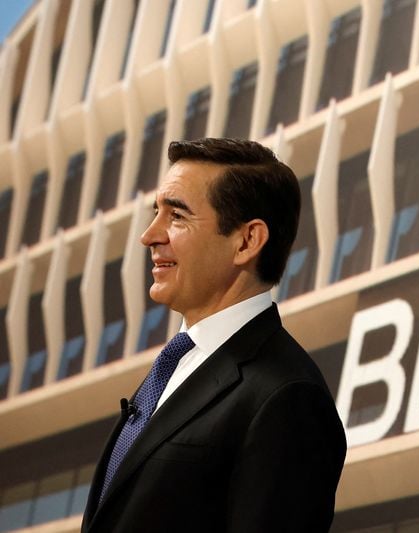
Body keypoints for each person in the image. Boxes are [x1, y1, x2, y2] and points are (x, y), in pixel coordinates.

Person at [81, 138, 347, 532]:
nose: (149, 236)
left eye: (177, 216)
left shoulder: (288, 397)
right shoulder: (175, 364)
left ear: (247, 241)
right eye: (157, 213)